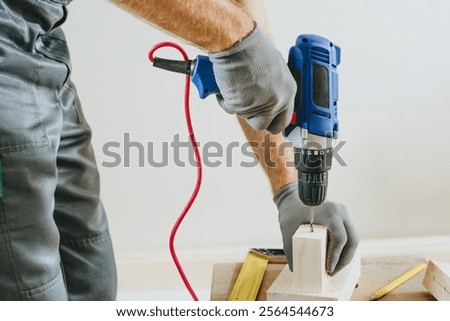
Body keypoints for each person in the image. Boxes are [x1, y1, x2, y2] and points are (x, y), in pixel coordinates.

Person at [0, 0, 357, 300]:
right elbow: (242, 37)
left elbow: (253, 43)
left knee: (90, 268)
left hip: (42, 37)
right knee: (32, 286)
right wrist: (234, 40)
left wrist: (288, 188)